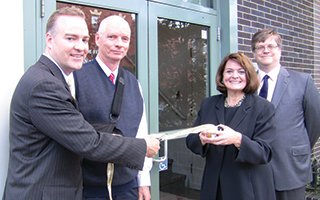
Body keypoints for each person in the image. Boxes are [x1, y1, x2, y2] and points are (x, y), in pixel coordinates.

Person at [3, 7, 160, 200]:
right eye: (70, 38)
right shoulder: (46, 84)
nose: (80, 47)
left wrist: (142, 178)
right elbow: (88, 141)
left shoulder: (54, 78)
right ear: (50, 40)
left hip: (120, 186)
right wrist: (142, 147)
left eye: (84, 40)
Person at [73, 15, 152, 200]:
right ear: (98, 39)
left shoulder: (133, 83)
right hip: (90, 190)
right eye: (112, 37)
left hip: (128, 188)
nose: (119, 44)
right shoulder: (76, 78)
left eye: (125, 39)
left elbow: (141, 133)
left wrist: (143, 181)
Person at [186, 52, 277, 200]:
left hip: (247, 188)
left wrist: (238, 139)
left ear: (249, 76)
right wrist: (202, 139)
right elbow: (191, 140)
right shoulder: (209, 104)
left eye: (241, 72)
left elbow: (264, 152)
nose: (235, 76)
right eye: (229, 71)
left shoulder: (263, 108)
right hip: (214, 187)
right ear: (222, 76)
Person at [251, 28, 320, 200]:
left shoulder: (303, 81)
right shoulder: (247, 85)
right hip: (253, 168)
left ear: (280, 50)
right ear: (254, 53)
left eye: (271, 46)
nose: (266, 50)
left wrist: (297, 147)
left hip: (289, 167)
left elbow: (315, 123)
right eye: (260, 47)